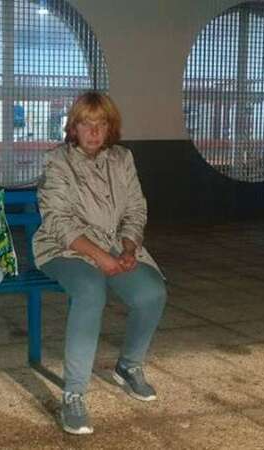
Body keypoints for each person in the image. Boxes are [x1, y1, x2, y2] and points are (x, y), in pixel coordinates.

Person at [32, 92, 167, 435]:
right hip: (64, 249)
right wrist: (100, 257)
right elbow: (58, 221)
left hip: (114, 247)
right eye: (85, 123)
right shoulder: (57, 161)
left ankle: (128, 367)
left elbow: (136, 209)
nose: (93, 131)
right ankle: (74, 394)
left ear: (111, 128)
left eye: (101, 123)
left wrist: (128, 247)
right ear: (73, 128)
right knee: (91, 291)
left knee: (151, 292)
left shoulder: (123, 159)